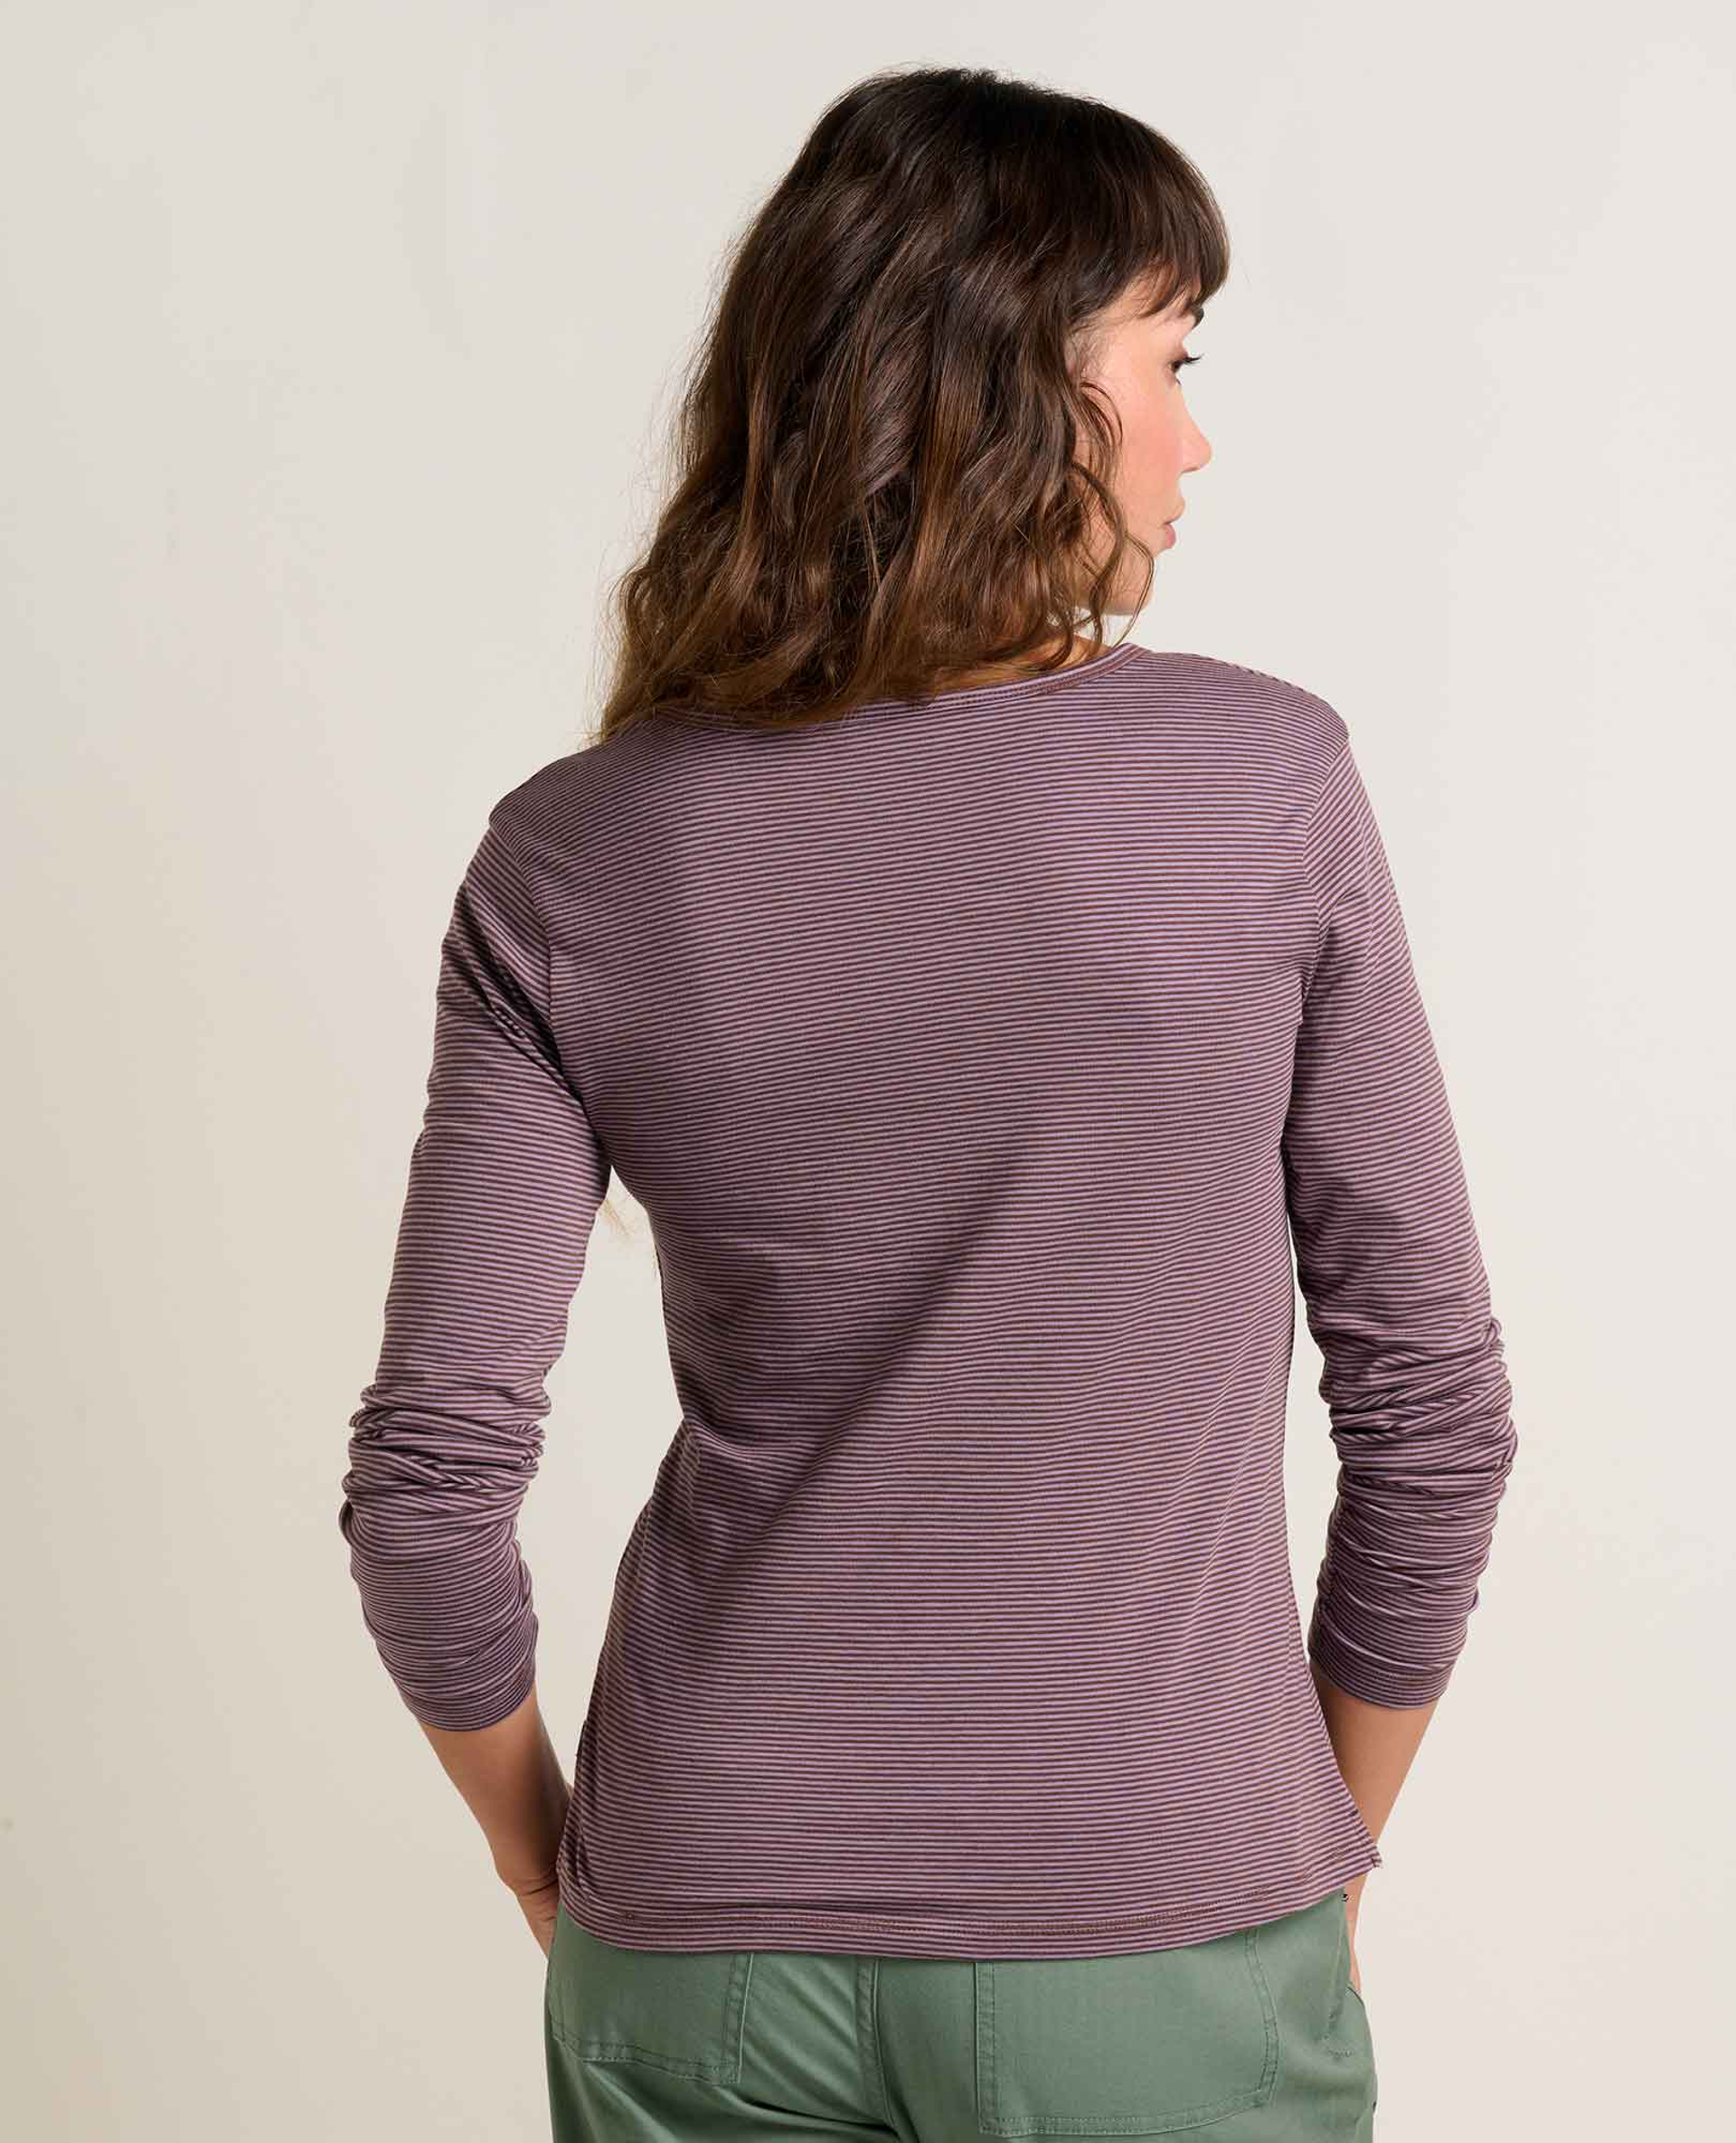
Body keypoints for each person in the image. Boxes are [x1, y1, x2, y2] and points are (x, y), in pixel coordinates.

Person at [338, 63, 1517, 2143]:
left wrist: (553, 1869)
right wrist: (1296, 1849)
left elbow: (429, 1495)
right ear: (1019, 382)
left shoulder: (571, 856)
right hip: (1161, 1912)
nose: (1194, 435)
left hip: (696, 1924)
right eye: (1171, 358)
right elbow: (1432, 1411)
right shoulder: (1261, 786)